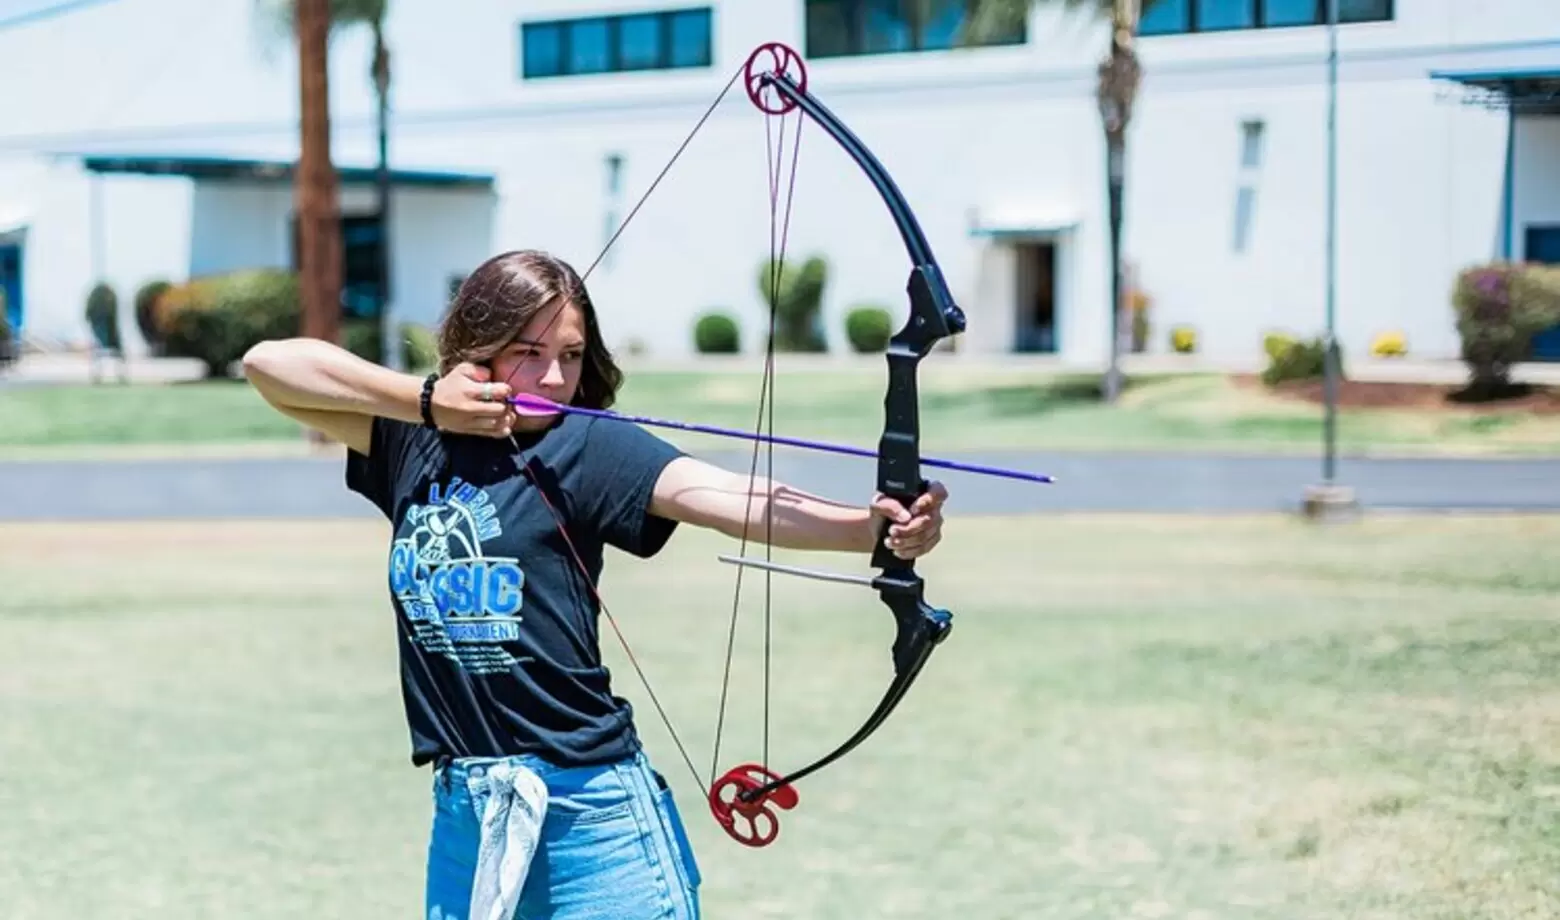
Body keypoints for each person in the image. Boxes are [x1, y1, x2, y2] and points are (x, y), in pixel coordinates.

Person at [241, 249, 950, 920]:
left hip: (592, 814)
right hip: (469, 813)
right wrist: (428, 400)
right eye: (529, 351)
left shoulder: (588, 445)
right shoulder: (407, 435)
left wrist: (868, 529)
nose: (554, 377)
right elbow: (268, 366)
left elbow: (726, 496)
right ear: (477, 345)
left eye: (571, 356)